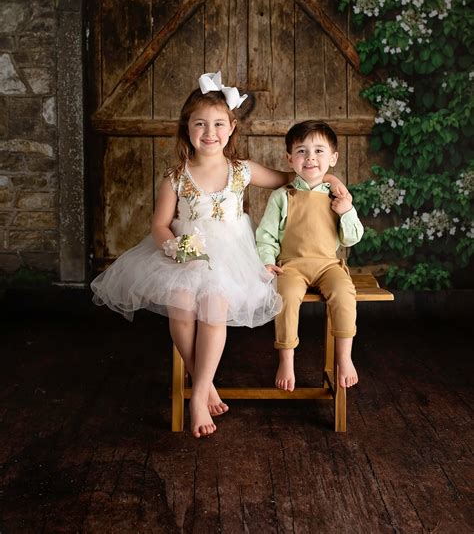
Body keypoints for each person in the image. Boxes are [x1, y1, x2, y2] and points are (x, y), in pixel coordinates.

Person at [92, 75, 348, 438]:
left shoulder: (241, 170)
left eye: (217, 124)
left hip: (231, 256)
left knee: (214, 304)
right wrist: (177, 248)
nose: (209, 132)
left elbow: (294, 177)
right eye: (200, 124)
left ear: (231, 129)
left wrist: (333, 181)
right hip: (186, 254)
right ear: (187, 129)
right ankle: (203, 383)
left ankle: (197, 395)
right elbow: (160, 226)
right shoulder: (176, 176)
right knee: (181, 302)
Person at [256, 120, 364, 393]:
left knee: (344, 293)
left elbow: (352, 238)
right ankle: (286, 359)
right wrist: (268, 261)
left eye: (318, 151)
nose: (310, 158)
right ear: (289, 158)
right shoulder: (283, 195)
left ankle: (344, 358)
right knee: (287, 297)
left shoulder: (337, 196)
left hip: (329, 265)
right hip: (291, 266)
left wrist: (346, 211)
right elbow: (266, 235)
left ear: (333, 158)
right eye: (302, 151)